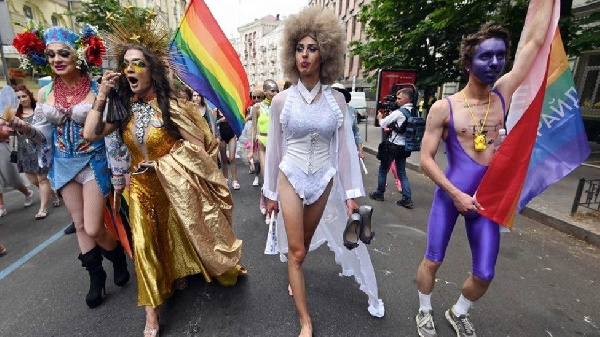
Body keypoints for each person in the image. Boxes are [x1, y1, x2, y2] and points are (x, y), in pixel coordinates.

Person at [83, 17, 245, 336]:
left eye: (138, 63)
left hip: (175, 189)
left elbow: (201, 148)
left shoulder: (173, 108)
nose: (130, 70)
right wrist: (101, 95)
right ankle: (151, 315)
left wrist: (162, 164)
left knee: (181, 233)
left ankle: (182, 271)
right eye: (125, 64)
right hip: (140, 191)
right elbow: (91, 133)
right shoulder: (124, 109)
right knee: (144, 247)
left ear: (152, 70)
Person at [415, 2, 553, 336]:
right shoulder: (443, 107)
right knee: (433, 259)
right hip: (452, 196)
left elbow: (533, 44)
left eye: (500, 56)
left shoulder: (503, 95)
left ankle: (458, 312)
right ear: (467, 63)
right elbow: (426, 159)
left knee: (485, 273)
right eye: (485, 57)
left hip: (487, 200)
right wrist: (456, 193)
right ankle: (424, 310)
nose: (494, 63)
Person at [264, 7, 384, 336]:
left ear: (325, 54)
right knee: (298, 250)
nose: (305, 55)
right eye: (300, 48)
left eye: (312, 48)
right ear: (292, 54)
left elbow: (344, 149)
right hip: (290, 174)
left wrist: (350, 196)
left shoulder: (337, 101)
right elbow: (274, 149)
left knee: (300, 243)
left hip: (324, 179)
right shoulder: (281, 102)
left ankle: (295, 271)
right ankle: (305, 320)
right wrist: (270, 195)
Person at [8, 25, 130, 309]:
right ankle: (96, 278)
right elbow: (41, 136)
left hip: (93, 161)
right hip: (62, 164)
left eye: (64, 53)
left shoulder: (99, 88)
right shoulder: (45, 92)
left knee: (93, 226)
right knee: (78, 225)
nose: (57, 59)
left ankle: (117, 257)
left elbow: (112, 131)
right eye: (50, 55)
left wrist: (119, 168)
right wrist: (22, 128)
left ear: (81, 55)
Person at [13, 84, 61, 220]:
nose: (22, 99)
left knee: (42, 179)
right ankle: (53, 193)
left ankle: (43, 208)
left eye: (24, 96)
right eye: (18, 98)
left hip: (40, 150)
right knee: (34, 181)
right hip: (24, 151)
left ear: (29, 96)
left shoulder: (39, 110)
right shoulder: (14, 115)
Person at [369, 88, 414, 209]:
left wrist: (380, 117)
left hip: (394, 145)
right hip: (406, 146)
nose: (397, 100)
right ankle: (407, 199)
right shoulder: (415, 112)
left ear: (407, 99)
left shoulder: (399, 112)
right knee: (402, 172)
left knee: (383, 169)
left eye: (399, 98)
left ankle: (379, 193)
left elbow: (383, 123)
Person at [251, 80, 279, 223]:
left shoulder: (279, 106)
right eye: (272, 91)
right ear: (265, 91)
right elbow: (253, 128)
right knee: (266, 177)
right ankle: (269, 210)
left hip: (276, 145)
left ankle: (269, 201)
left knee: (277, 179)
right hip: (262, 144)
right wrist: (251, 150)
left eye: (276, 91)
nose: (275, 93)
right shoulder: (257, 107)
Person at [0, 123, 34, 216]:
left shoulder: (2, 117)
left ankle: (28, 193)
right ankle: (1, 206)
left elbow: (6, 133)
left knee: (11, 176)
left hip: (2, 147)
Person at [331, 83, 364, 159]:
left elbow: (355, 131)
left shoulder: (351, 111)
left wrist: (360, 150)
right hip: (329, 150)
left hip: (347, 149)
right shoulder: (326, 110)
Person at [216, 108, 240, 190]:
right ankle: (225, 179)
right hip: (221, 136)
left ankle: (234, 180)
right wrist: (220, 121)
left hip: (231, 136)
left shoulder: (230, 109)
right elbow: (212, 123)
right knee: (223, 159)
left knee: (232, 158)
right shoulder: (215, 111)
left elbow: (237, 120)